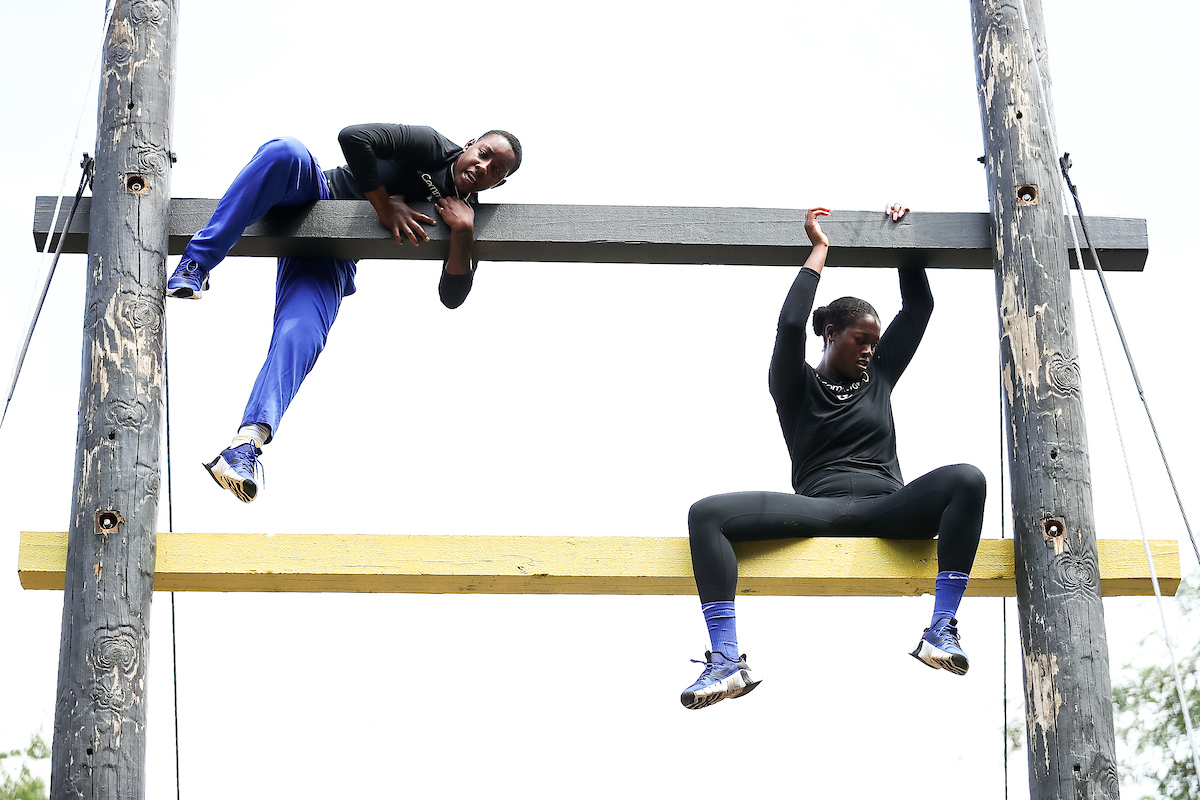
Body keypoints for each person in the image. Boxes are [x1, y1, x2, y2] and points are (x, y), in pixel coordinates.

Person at [680, 204, 986, 710]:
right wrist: (819, 252)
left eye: (875, 342)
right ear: (830, 335)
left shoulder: (881, 375)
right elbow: (789, 326)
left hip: (889, 505)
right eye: (860, 340)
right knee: (706, 513)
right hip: (817, 507)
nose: (870, 350)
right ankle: (727, 660)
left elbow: (920, 308)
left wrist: (902, 238)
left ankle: (941, 631)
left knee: (967, 479)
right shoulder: (793, 383)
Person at [166, 124, 522, 502]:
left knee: (303, 337)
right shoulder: (432, 147)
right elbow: (354, 138)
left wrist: (464, 233)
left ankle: (245, 447)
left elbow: (452, 295)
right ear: (469, 145)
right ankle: (196, 265)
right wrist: (384, 207)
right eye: (483, 153)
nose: (484, 167)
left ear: (498, 184)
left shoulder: (468, 215)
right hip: (316, 194)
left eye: (496, 170)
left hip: (330, 256)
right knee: (284, 150)